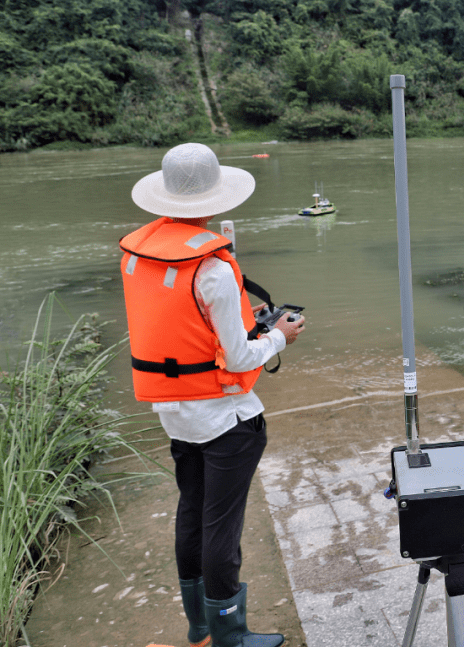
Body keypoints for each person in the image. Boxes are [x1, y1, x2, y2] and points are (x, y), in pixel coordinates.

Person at [119, 143, 305, 647]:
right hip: (227, 421)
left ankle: (200, 627)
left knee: (192, 513)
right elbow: (242, 358)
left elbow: (180, 323)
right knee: (222, 526)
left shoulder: (140, 254)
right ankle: (231, 635)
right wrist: (279, 336)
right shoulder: (215, 269)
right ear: (217, 197)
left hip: (174, 413)